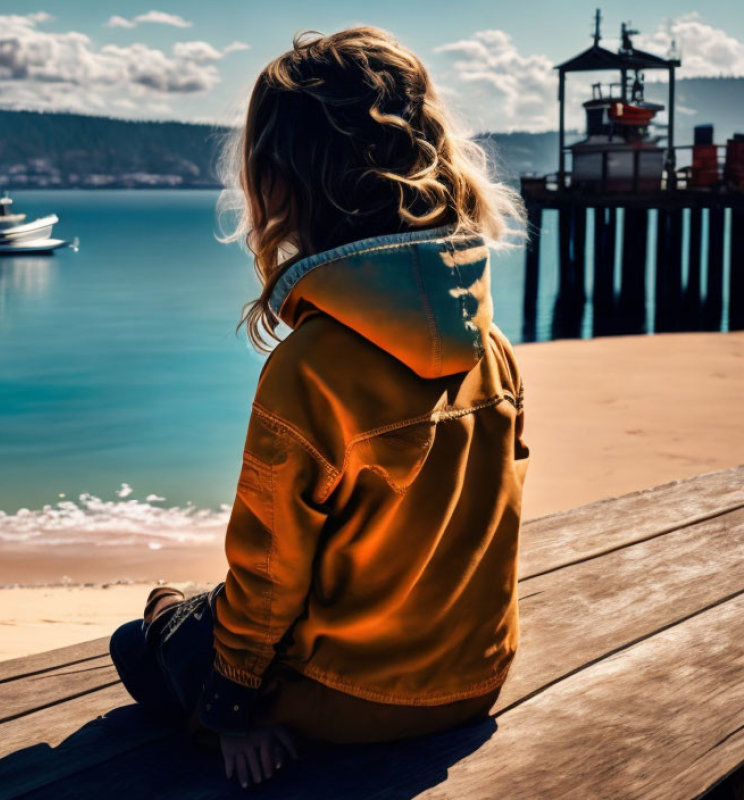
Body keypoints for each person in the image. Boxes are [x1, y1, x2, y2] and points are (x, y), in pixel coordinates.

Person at [108, 24, 531, 789]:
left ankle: (165, 613)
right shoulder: (490, 343)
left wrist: (232, 711)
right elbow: (492, 520)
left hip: (347, 700)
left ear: (283, 183)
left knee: (145, 647)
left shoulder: (313, 367)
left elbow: (271, 571)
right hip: (473, 682)